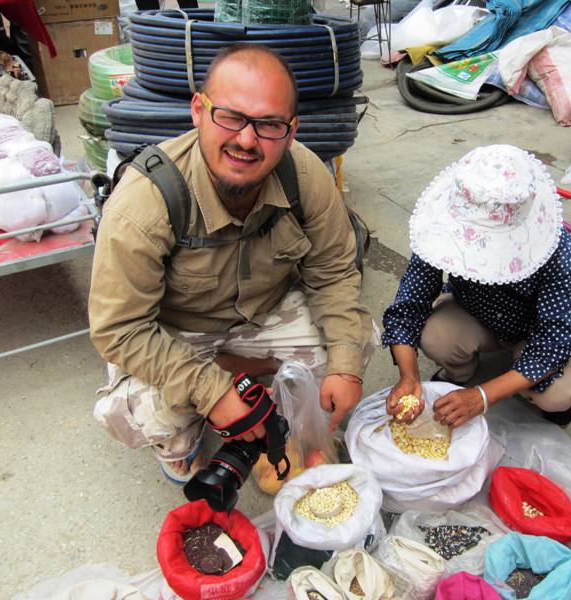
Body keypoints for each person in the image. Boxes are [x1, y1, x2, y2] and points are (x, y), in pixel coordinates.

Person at [89, 44, 374, 482]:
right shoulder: (144, 203)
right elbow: (120, 329)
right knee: (136, 415)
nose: (246, 139)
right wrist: (212, 391)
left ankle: (252, 378)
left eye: (268, 124)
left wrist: (344, 366)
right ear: (198, 111)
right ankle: (195, 429)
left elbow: (333, 273)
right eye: (231, 117)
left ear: (291, 129)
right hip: (176, 333)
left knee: (356, 342)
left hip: (262, 314)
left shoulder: (305, 175)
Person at [381, 144, 571, 429]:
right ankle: (461, 371)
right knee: (437, 337)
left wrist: (482, 396)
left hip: (533, 327)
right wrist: (409, 376)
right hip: (475, 311)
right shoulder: (438, 232)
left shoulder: (559, 253)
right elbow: (409, 306)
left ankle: (515, 379)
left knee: (556, 398)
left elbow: (552, 343)